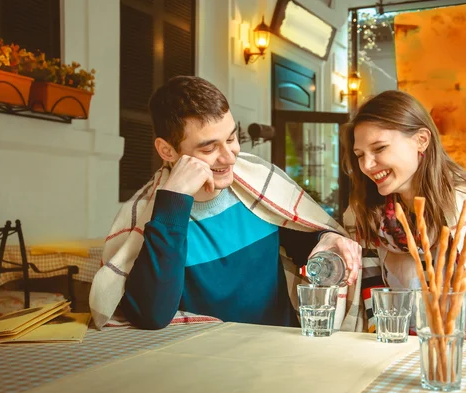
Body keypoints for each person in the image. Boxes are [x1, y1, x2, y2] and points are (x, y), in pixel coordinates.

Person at [89, 76, 364, 331]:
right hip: (202, 363)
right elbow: (152, 315)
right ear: (167, 151)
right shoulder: (154, 216)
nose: (230, 157)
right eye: (209, 148)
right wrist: (173, 202)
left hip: (281, 351)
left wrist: (326, 238)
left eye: (231, 138)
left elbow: (305, 243)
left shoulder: (258, 186)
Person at [341, 90, 466, 343]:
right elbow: (365, 305)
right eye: (360, 155)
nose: (368, 165)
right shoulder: (363, 216)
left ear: (421, 140)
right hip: (387, 352)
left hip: (457, 359)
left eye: (379, 148)